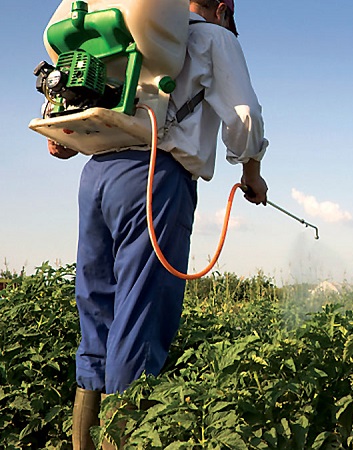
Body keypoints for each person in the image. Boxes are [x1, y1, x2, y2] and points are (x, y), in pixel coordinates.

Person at [48, 0, 269, 447]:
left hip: (96, 177)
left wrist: (66, 139)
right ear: (223, 8)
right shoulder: (211, 36)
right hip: (153, 176)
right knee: (139, 317)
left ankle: (84, 442)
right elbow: (242, 114)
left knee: (97, 310)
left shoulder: (127, 28)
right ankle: (121, 440)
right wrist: (251, 171)